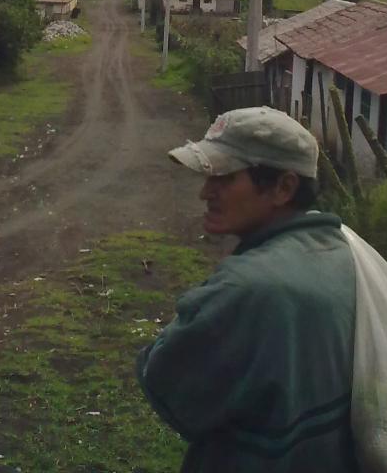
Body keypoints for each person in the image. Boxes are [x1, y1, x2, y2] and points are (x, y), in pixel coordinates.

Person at [136, 107, 359, 473]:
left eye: (224, 177)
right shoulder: (342, 250)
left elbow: (165, 378)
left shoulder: (249, 287)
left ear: (283, 187)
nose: (205, 192)